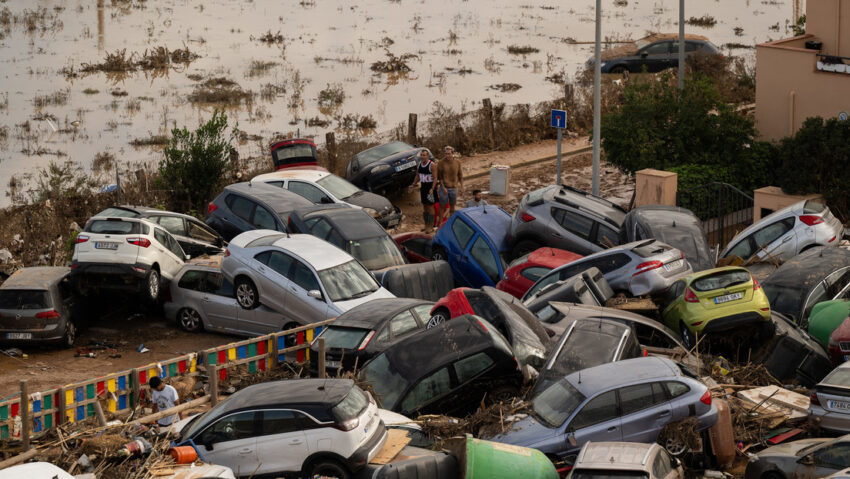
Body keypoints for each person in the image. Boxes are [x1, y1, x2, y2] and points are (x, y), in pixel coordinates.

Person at [409, 149, 438, 232]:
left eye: (424, 155)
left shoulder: (432, 165)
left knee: (430, 206)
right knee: (425, 206)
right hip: (423, 187)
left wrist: (432, 188)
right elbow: (417, 176)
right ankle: (426, 225)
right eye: (421, 155)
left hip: (430, 188)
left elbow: (435, 178)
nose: (422, 156)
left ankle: (430, 226)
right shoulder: (419, 165)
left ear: (427, 156)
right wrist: (413, 185)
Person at [436, 146, 463, 224]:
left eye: (449, 154)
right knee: (442, 206)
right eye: (446, 154)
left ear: (452, 153)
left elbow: (460, 176)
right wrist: (443, 187)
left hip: (454, 187)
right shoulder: (441, 163)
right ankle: (440, 224)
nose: (447, 155)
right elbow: (439, 177)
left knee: (452, 206)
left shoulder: (457, 162)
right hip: (444, 187)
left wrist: (462, 187)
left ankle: (451, 223)